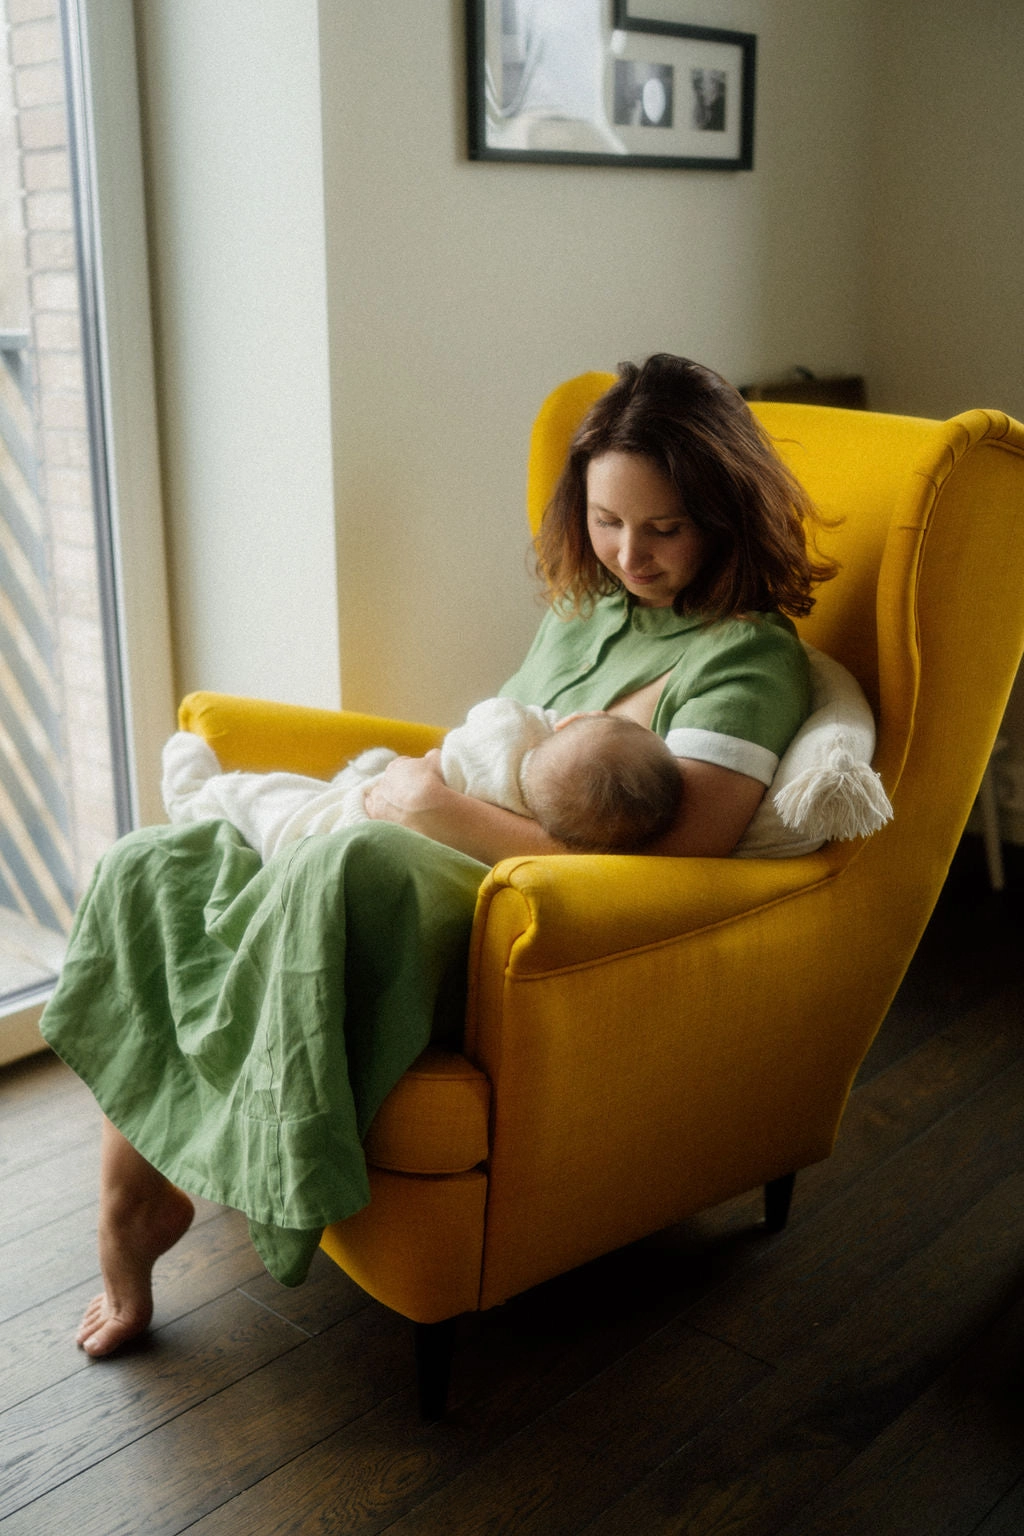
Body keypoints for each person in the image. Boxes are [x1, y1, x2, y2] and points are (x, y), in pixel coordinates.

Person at [41, 353, 836, 1357]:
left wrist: (436, 813)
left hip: (530, 918)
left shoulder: (747, 658)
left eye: (664, 529)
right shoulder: (588, 609)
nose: (629, 555)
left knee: (350, 862)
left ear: (724, 513)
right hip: (452, 829)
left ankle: (218, 1168)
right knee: (154, 860)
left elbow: (670, 864)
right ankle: (134, 1204)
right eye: (606, 521)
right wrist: (422, 783)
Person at [161, 699, 684, 860]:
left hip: (349, 828)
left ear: (567, 721)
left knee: (266, 802)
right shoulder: (553, 811)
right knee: (370, 766)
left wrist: (550, 720)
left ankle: (193, 796)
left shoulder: (512, 730)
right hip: (387, 797)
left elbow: (488, 717)